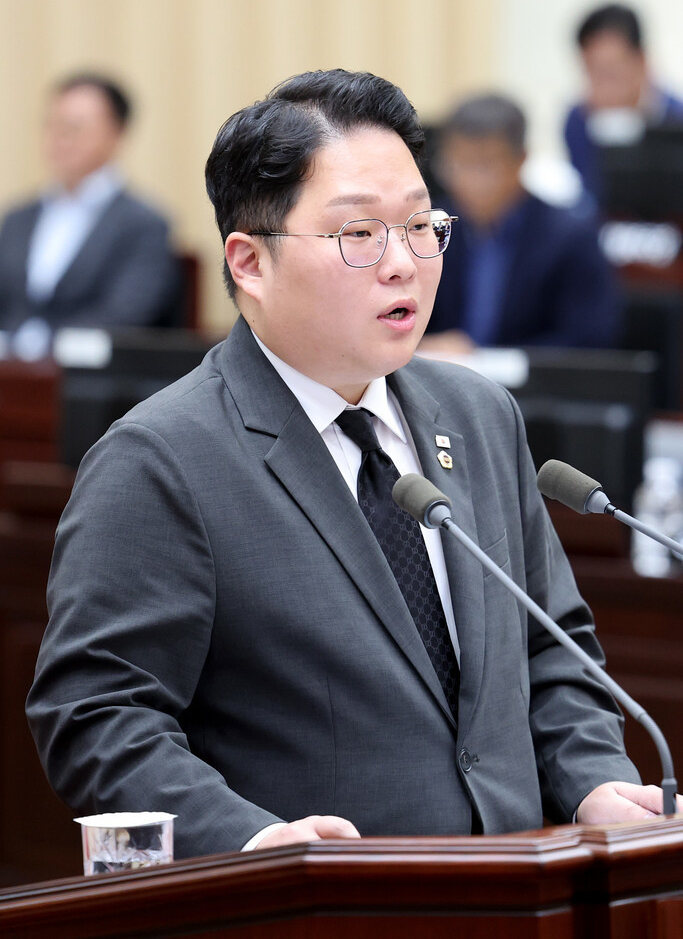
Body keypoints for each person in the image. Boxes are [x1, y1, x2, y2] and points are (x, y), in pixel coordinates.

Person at [27, 69, 675, 861]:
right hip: (316, 902)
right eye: (359, 233)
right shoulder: (162, 460)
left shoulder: (479, 416)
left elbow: (550, 646)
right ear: (249, 262)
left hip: (516, 889)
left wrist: (590, 779)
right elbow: (97, 714)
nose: (403, 262)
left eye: (419, 224)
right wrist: (253, 839)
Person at [0, 72, 179, 359]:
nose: (60, 139)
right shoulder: (18, 218)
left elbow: (127, 313)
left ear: (116, 132)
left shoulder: (143, 224)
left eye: (74, 128)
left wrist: (39, 347)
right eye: (53, 126)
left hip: (90, 378)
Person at [422, 93, 618, 354]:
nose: (468, 181)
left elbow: (589, 340)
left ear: (521, 160)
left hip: (535, 378)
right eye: (456, 164)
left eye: (484, 166)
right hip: (441, 372)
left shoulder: (571, 237)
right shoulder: (432, 227)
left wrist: (486, 357)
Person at [564, 2, 683, 205]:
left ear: (642, 62)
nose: (603, 87)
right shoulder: (577, 121)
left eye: (611, 72)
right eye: (592, 73)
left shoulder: (676, 119)